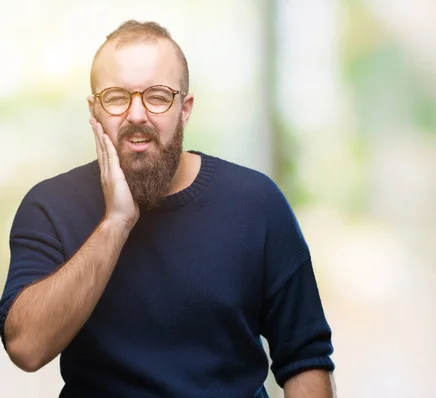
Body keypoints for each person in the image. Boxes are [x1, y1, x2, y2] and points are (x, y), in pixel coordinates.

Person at [0, 20, 335, 397]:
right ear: (94, 111)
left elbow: (305, 359)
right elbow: (26, 349)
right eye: (116, 97)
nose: (137, 114)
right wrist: (115, 223)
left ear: (185, 108)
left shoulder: (257, 203)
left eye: (158, 96)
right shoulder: (50, 206)